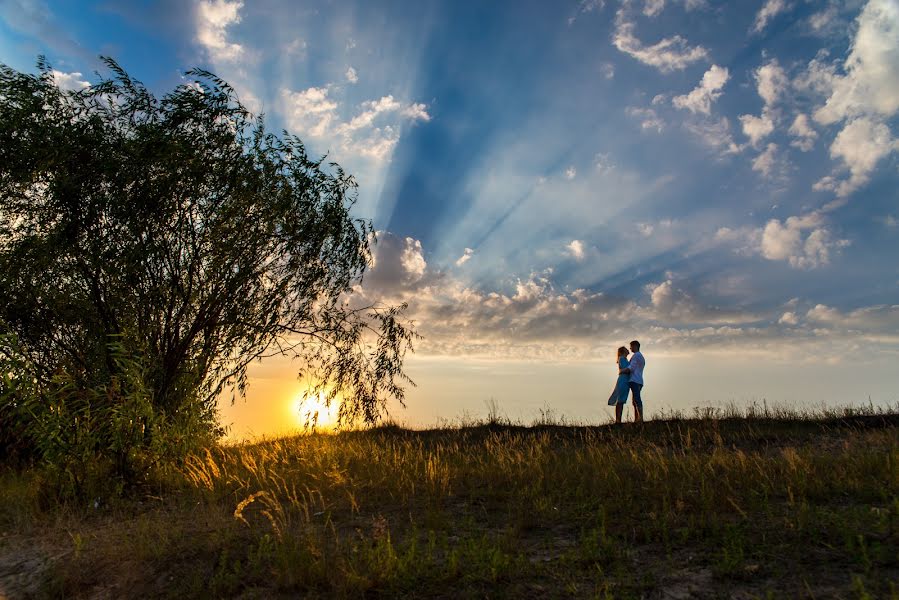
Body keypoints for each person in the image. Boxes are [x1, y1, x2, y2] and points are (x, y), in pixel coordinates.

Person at [620, 340, 645, 423]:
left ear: (635, 346)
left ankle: (640, 418)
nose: (630, 348)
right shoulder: (639, 356)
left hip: (635, 380)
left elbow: (631, 368)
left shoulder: (636, 356)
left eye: (631, 346)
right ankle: (637, 419)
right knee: (635, 400)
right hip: (638, 380)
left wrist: (622, 371)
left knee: (636, 400)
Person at [608, 346, 630, 424]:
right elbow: (626, 370)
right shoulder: (622, 358)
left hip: (626, 381)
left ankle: (618, 420)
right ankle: (618, 420)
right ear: (623, 351)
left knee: (622, 400)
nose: (628, 350)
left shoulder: (625, 359)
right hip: (623, 380)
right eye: (626, 349)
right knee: (620, 400)